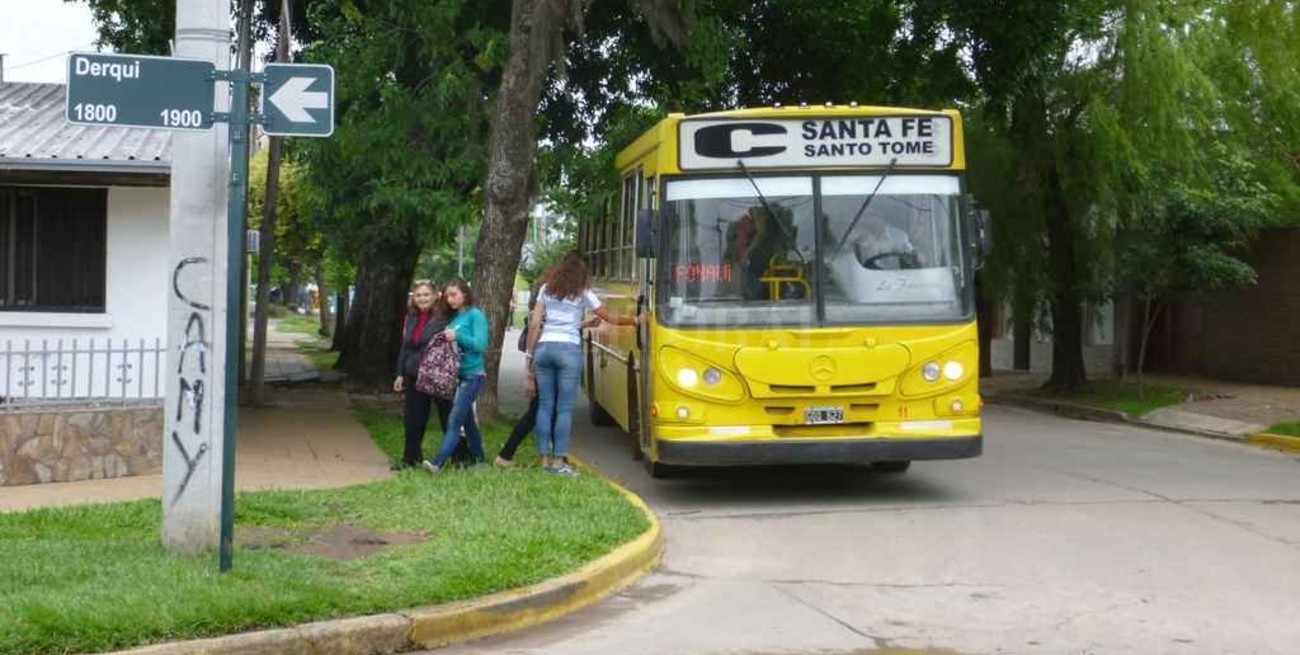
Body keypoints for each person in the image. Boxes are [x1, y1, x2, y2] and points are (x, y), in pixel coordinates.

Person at [526, 253, 639, 475]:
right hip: (568, 349)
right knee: (564, 409)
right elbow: (608, 317)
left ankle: (543, 461)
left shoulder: (546, 289)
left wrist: (530, 357)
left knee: (545, 406)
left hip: (544, 349)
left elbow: (536, 323)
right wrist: (635, 320)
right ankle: (558, 463)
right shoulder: (582, 292)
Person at [495, 273, 601, 467]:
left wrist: (584, 324)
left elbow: (555, 326)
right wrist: (529, 372)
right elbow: (540, 331)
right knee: (540, 411)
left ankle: (548, 455)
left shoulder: (549, 300)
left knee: (544, 409)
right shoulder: (547, 306)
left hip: (543, 357)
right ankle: (507, 454)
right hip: (544, 358)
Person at [423, 278, 490, 473]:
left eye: (454, 295)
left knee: (454, 421)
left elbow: (481, 344)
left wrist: (457, 336)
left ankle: (437, 463)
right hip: (457, 376)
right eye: (447, 295)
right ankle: (480, 460)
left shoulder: (475, 315)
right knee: (468, 423)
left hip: (473, 375)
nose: (450, 299)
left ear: (465, 294)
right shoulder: (454, 319)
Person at [852, 213, 917, 270]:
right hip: (868, 274)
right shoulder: (861, 236)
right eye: (869, 217)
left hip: (896, 274)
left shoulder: (899, 236)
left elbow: (910, 256)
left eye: (875, 216)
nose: (872, 221)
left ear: (882, 219)